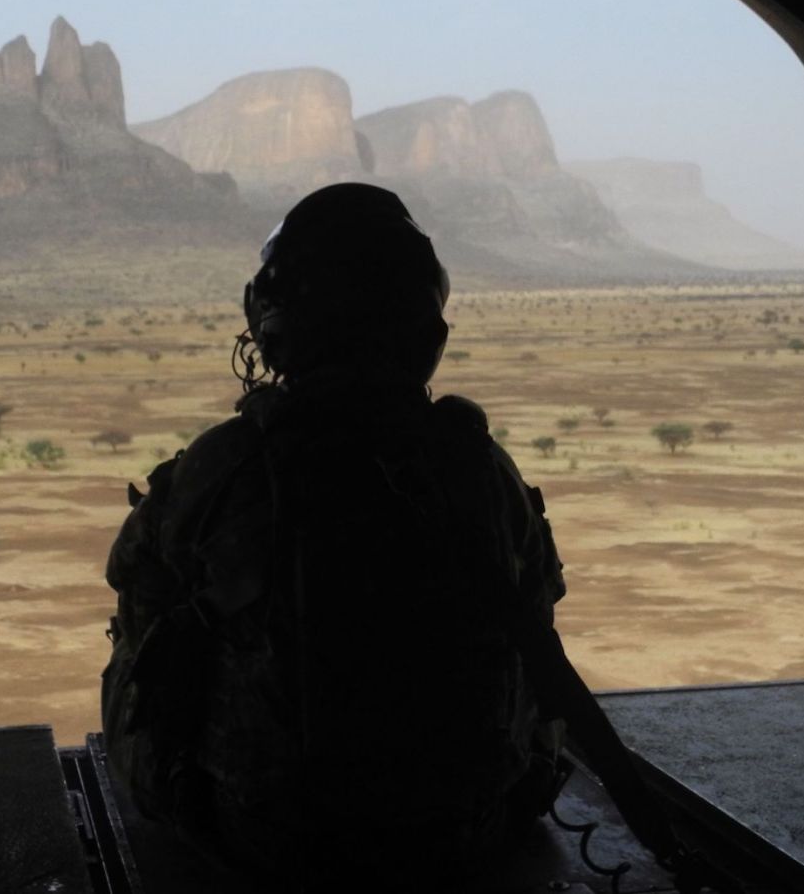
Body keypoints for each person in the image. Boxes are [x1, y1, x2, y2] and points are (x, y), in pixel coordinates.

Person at [100, 183, 685, 888]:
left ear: (274, 325)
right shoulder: (478, 465)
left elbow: (139, 595)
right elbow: (535, 614)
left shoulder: (223, 465)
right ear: (425, 338)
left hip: (270, 844)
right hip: (469, 833)